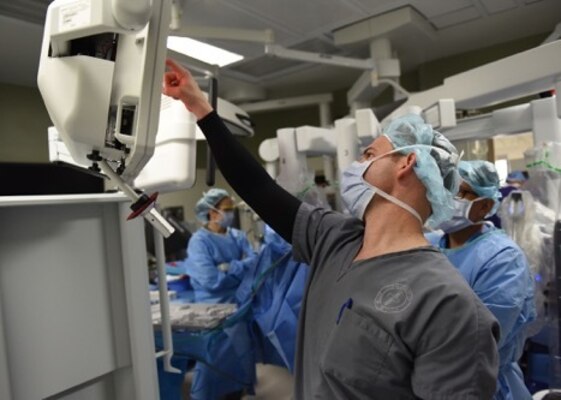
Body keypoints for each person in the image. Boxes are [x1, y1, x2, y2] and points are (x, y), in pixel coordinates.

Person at [163, 58, 500, 399]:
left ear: (406, 162)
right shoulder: (334, 239)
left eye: (368, 155)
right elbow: (257, 187)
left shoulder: (448, 305)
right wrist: (199, 106)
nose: (355, 166)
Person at [428, 160, 536, 400]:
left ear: (484, 206)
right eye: (445, 188)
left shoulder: (503, 259)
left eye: (460, 192)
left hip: (486, 385)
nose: (447, 198)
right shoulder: (429, 244)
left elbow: (481, 341)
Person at [185, 188, 256, 303]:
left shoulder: (237, 236)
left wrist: (229, 267)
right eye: (227, 210)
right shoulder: (199, 242)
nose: (231, 214)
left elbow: (255, 264)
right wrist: (241, 270)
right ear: (212, 213)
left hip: (241, 302)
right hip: (212, 305)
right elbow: (211, 281)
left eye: (232, 210)